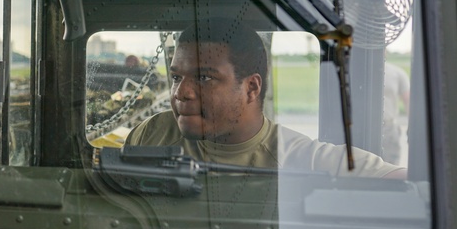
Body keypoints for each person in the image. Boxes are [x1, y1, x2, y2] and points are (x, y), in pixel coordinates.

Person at [123, 19, 405, 179]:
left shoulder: (301, 159)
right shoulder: (152, 133)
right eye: (176, 77)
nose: (180, 92)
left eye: (204, 78)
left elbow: (409, 185)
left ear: (252, 88)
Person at [382, 59, 410, 164]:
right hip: (361, 128)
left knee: (391, 165)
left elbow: (407, 100)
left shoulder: (397, 73)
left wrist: (412, 125)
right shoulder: (359, 71)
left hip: (388, 128)